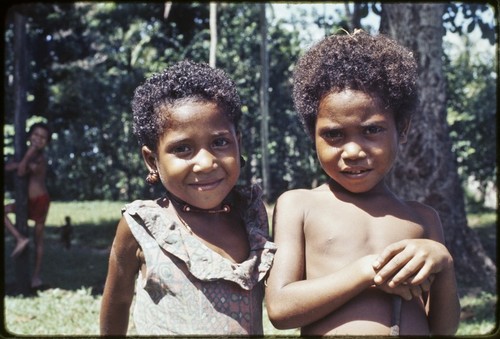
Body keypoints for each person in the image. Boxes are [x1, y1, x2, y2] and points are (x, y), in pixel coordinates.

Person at [265, 30, 460, 336]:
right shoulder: (299, 205)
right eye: (334, 135)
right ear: (311, 133)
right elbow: (279, 309)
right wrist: (364, 271)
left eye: (372, 131)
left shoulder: (423, 219)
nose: (353, 151)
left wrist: (444, 263)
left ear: (402, 128)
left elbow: (443, 329)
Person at [100, 60, 276, 336]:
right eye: (183, 149)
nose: (206, 163)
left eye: (219, 142)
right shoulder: (143, 227)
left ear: (238, 142)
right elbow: (117, 302)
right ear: (151, 160)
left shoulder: (251, 216)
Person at [4, 122, 52, 289]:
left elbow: (20, 171)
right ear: (30, 135)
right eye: (36, 135)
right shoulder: (29, 155)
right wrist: (21, 162)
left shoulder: (39, 157)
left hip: (40, 200)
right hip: (27, 202)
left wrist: (28, 154)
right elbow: (12, 167)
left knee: (39, 238)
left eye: (43, 137)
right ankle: (20, 238)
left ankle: (36, 276)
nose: (38, 139)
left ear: (46, 142)